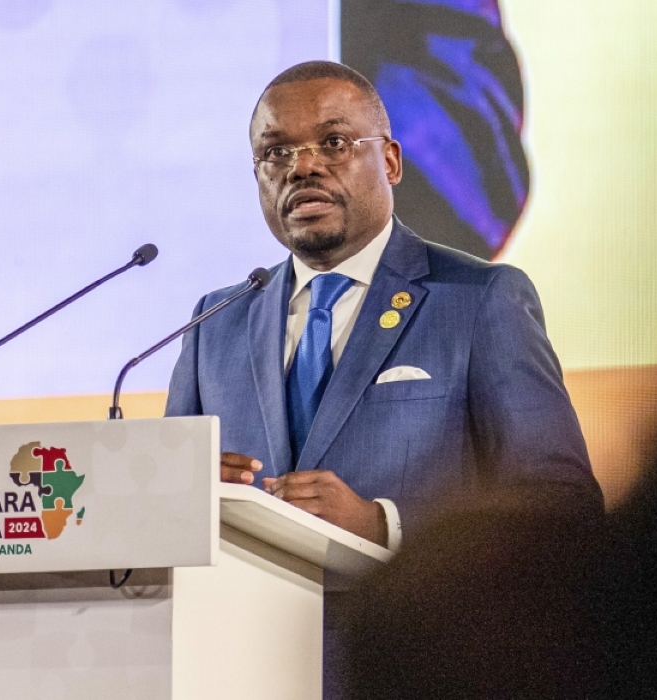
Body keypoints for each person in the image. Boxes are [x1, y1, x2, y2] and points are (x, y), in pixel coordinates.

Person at [165, 59, 603, 548]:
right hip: (240, 621)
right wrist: (186, 496)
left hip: (409, 620)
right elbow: (166, 504)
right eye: (276, 151)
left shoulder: (481, 301)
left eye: (334, 143)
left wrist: (383, 526)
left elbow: (562, 505)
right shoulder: (216, 323)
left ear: (391, 162)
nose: (302, 167)